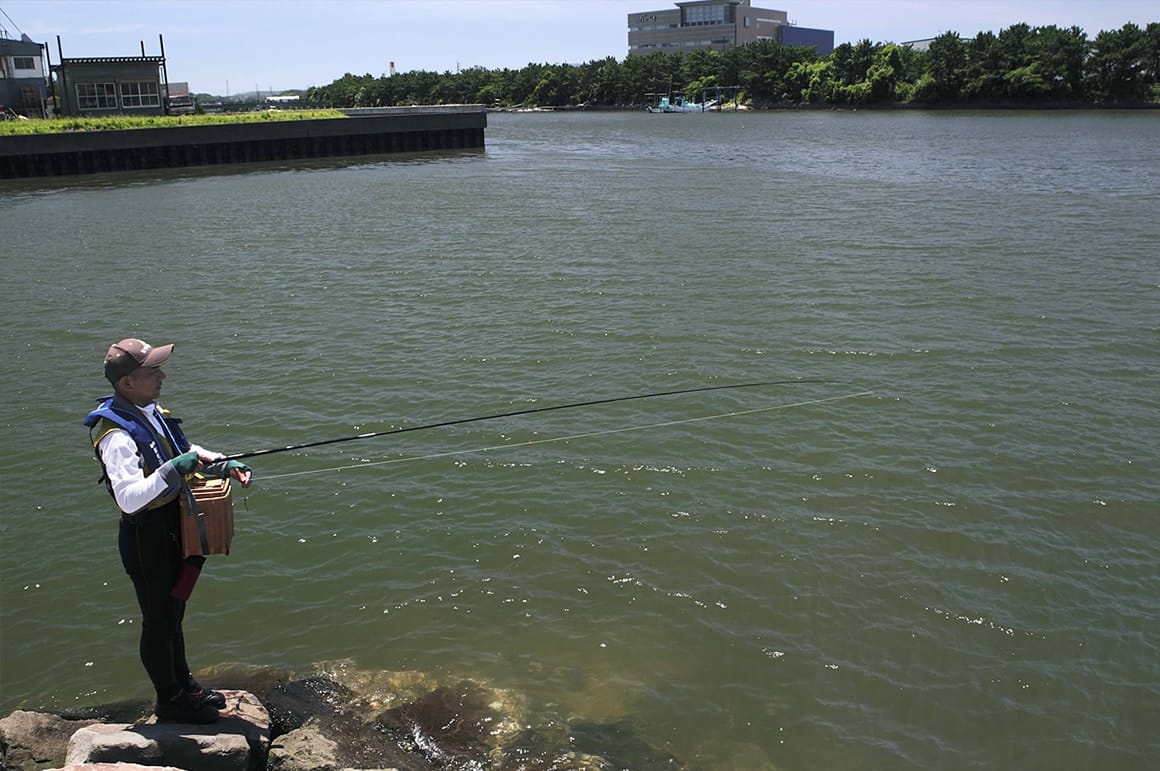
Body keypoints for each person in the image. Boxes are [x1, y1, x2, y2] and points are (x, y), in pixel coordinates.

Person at [83, 338, 253, 724]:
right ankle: (170, 699)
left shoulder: (148, 409)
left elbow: (176, 448)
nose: (162, 376)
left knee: (175, 611)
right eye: (152, 371)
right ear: (127, 383)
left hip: (175, 527)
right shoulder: (114, 434)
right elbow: (129, 497)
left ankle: (185, 684)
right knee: (158, 620)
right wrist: (176, 467)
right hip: (146, 538)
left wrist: (218, 462)